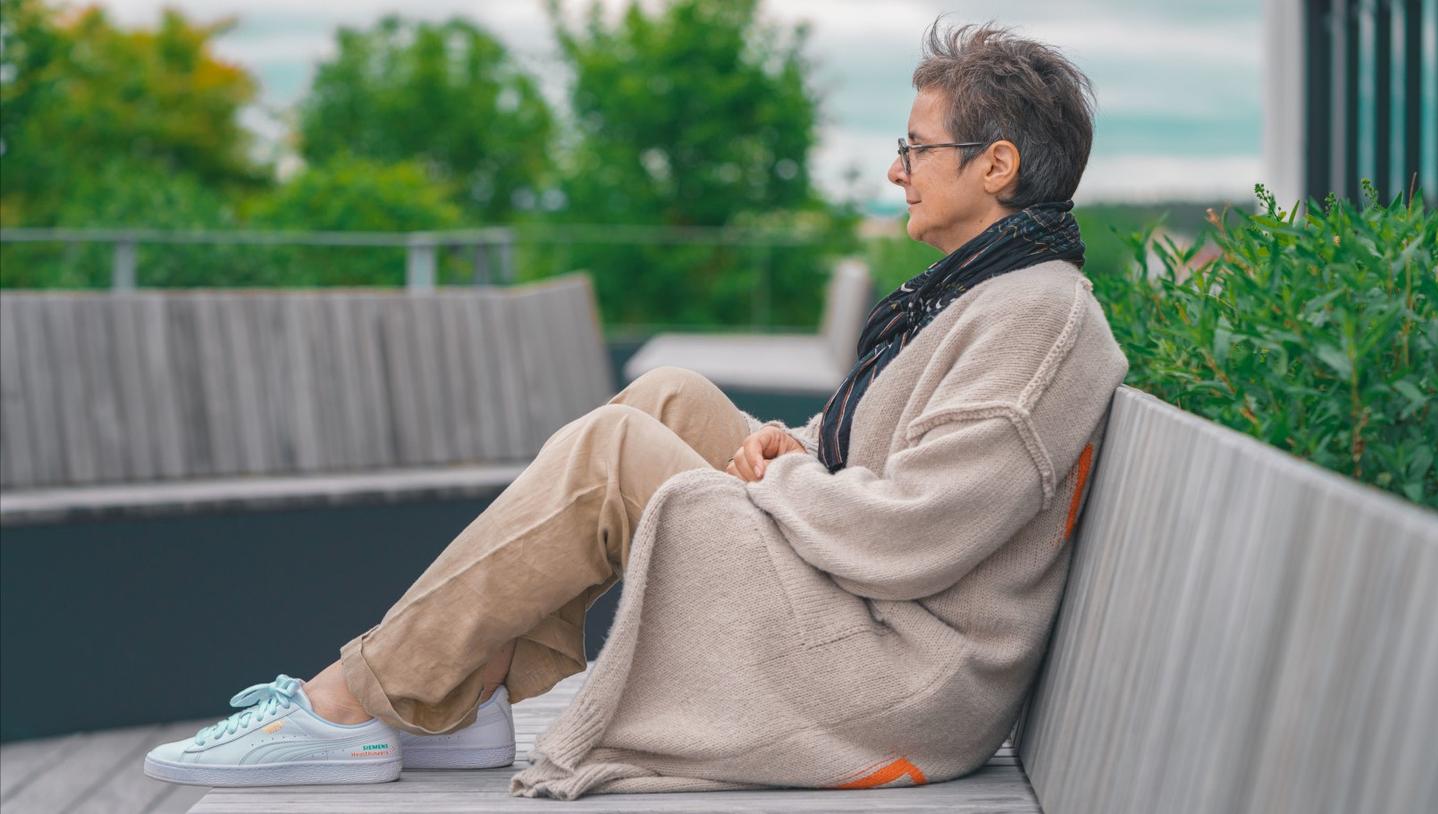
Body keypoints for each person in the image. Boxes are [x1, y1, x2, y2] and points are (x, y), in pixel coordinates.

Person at [143, 20, 1128, 799]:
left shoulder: (1035, 321)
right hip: (868, 611)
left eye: (914, 147)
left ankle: (351, 699)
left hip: (891, 683)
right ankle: (475, 681)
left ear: (993, 166)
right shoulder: (986, 292)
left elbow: (914, 533)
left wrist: (783, 473)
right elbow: (881, 461)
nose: (894, 169)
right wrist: (798, 448)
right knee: (670, 395)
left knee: (615, 448)